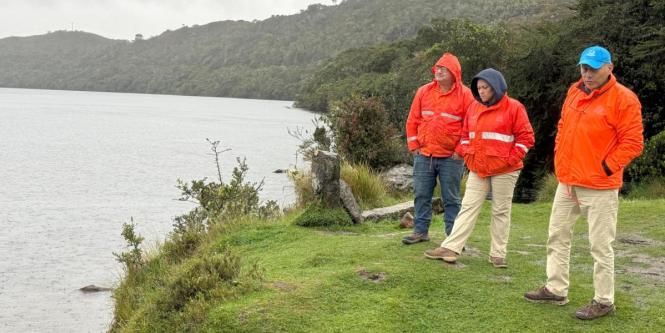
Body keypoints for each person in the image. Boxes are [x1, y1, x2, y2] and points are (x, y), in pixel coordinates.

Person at [524, 46, 643, 320]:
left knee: (600, 245)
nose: (587, 74)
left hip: (599, 185)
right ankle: (556, 289)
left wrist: (606, 167)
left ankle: (604, 301)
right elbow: (564, 127)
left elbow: (633, 143)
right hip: (567, 181)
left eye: (593, 68)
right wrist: (559, 160)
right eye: (583, 68)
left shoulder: (624, 99)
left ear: (609, 68)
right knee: (557, 234)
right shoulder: (574, 91)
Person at [423, 68, 535, 268]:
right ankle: (451, 248)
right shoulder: (474, 108)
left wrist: (511, 159)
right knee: (467, 207)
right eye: (479, 88)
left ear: (497, 87)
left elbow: (526, 138)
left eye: (486, 87)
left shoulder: (514, 108)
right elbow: (465, 135)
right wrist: (467, 151)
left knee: (500, 211)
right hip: (478, 167)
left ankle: (497, 255)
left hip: (505, 169)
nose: (482, 91)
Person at [402, 52, 474, 244]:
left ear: (454, 73)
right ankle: (420, 231)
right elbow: (412, 120)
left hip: (451, 158)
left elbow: (471, 127)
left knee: (451, 198)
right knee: (421, 194)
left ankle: (454, 238)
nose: (439, 71)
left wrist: (460, 151)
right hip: (424, 155)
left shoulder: (466, 95)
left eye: (444, 68)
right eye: (437, 68)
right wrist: (414, 144)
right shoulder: (423, 91)